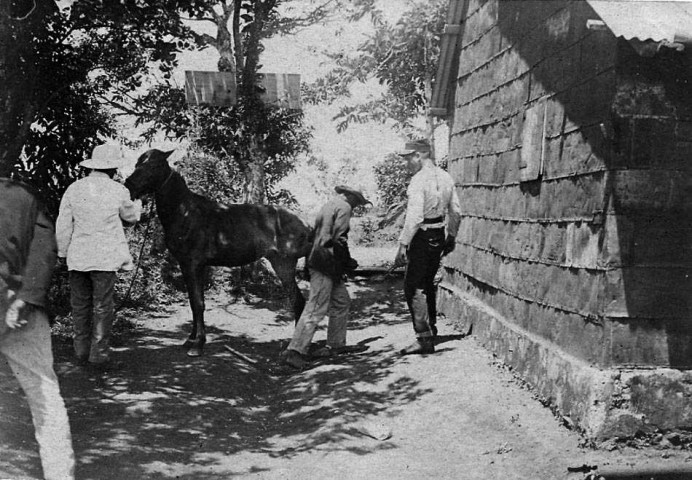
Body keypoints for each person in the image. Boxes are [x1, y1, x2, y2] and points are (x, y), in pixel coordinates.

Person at [0, 178, 76, 480]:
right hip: (21, 311)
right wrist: (26, 298)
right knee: (44, 395)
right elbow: (45, 247)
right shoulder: (23, 195)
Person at [56, 144, 141, 370]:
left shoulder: (74, 189)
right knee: (103, 305)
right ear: (112, 168)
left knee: (80, 305)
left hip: (78, 257)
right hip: (104, 258)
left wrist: (63, 253)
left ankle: (81, 351)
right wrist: (139, 207)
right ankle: (99, 354)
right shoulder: (119, 191)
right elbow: (130, 218)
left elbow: (63, 225)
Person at [279, 185, 371, 369]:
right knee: (316, 307)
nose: (356, 206)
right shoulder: (344, 208)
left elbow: (312, 237)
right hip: (326, 263)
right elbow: (340, 240)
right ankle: (294, 351)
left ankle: (336, 345)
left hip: (323, 261)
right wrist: (348, 262)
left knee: (341, 301)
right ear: (350, 197)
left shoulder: (328, 205)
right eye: (357, 202)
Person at [394, 138, 461, 355]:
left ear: (418, 155)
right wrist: (451, 236)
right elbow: (456, 211)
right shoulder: (446, 176)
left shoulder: (419, 180)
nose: (407, 164)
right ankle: (431, 328)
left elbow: (414, 216)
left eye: (408, 159)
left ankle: (423, 338)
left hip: (422, 237)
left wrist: (403, 245)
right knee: (427, 282)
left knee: (413, 286)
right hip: (438, 235)